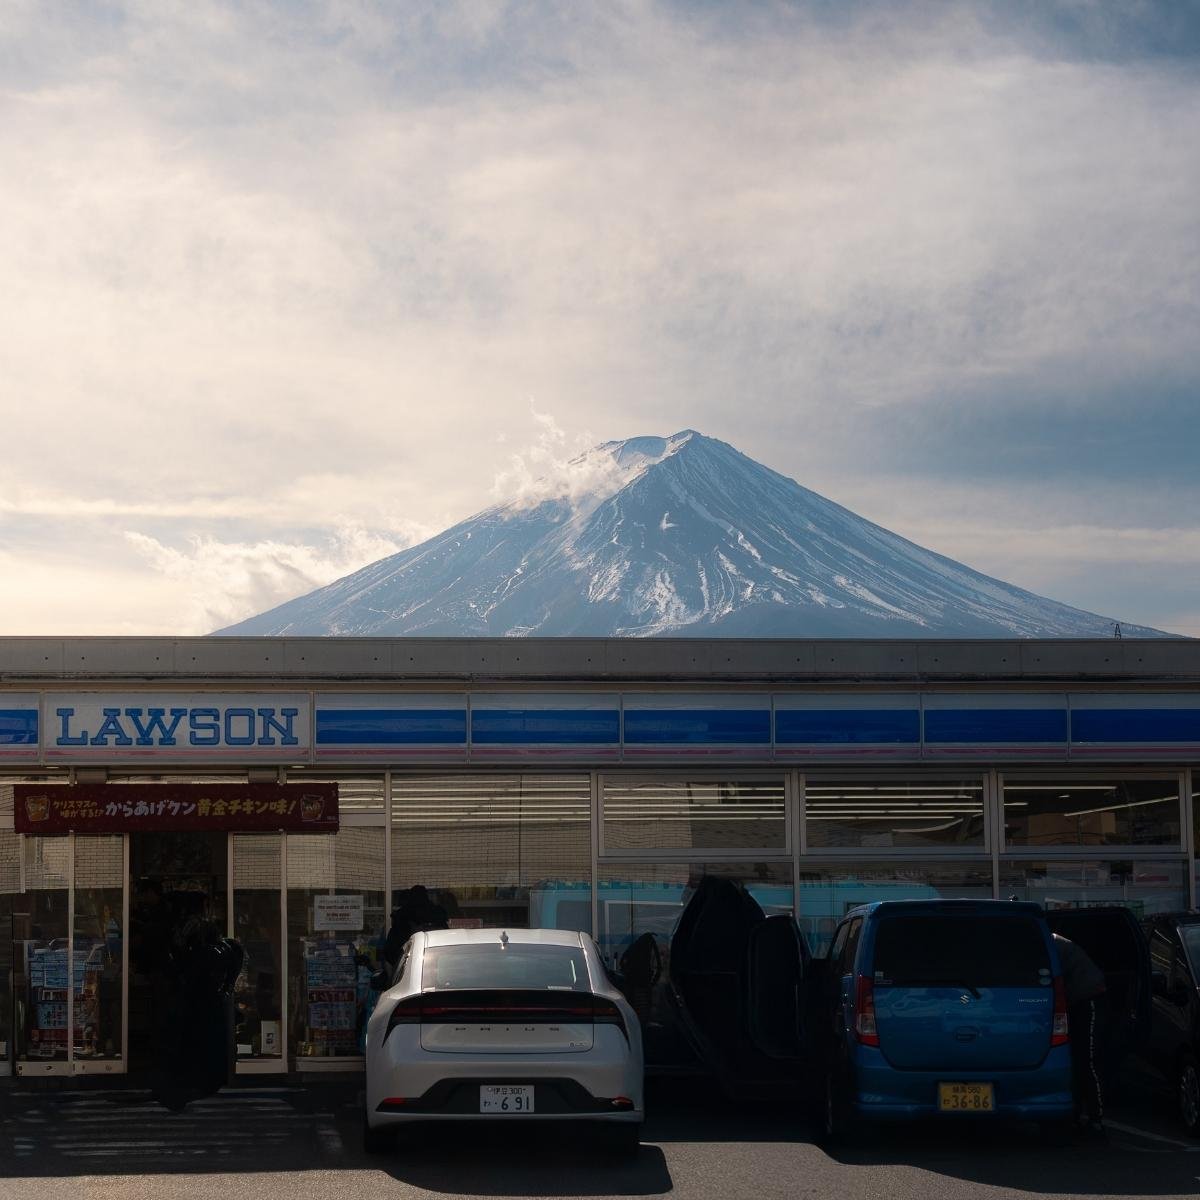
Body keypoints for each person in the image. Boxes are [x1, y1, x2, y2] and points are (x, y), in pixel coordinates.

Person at [1053, 932, 1107, 1138]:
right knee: (1078, 1059)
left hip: (1088, 999)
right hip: (1079, 1000)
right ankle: (1080, 1114)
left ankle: (1096, 1120)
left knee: (1087, 1061)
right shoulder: (1056, 942)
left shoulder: (1051, 944)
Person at [382, 885, 449, 973]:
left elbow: (390, 952)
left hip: (408, 965)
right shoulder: (437, 914)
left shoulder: (402, 916)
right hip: (439, 962)